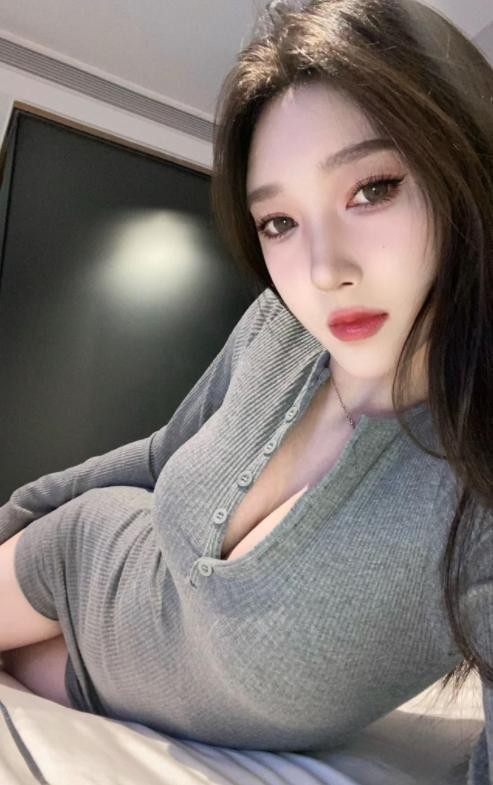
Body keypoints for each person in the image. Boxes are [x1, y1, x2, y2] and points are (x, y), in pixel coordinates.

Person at [1, 0, 492, 780]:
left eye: (372, 187)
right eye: (278, 223)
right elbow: (159, 456)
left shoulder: (475, 488)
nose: (323, 270)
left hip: (113, 671)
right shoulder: (277, 325)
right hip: (74, 553)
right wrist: (16, 516)